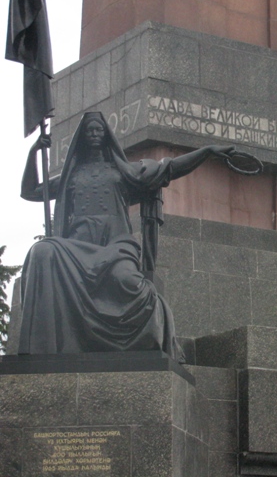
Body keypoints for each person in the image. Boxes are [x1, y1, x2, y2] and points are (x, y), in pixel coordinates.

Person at [18, 112, 242, 361]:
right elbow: (30, 191)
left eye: (99, 130)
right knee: (42, 250)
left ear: (107, 135)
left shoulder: (123, 172)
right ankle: (44, 347)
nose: (94, 134)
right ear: (81, 138)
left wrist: (207, 151)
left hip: (116, 247)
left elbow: (169, 168)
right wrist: (34, 153)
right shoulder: (72, 176)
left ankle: (146, 336)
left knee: (128, 282)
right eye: (89, 130)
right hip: (77, 249)